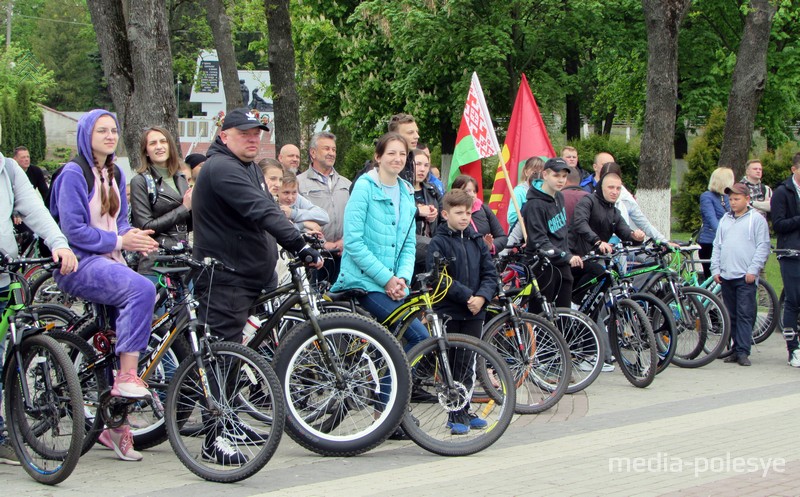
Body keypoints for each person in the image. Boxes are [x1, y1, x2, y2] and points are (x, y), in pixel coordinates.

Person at [192, 108, 321, 463]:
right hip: (225, 277)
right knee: (222, 354)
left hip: (248, 276)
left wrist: (301, 236)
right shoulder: (221, 169)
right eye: (245, 132)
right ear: (224, 135)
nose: (253, 138)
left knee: (235, 354)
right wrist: (299, 244)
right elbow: (260, 211)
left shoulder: (247, 167)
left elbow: (268, 209)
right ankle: (213, 437)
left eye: (257, 133)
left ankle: (229, 420)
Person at [50, 109, 160, 462]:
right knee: (142, 290)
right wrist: (119, 241)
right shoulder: (73, 173)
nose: (110, 136)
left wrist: (137, 237)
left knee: (114, 339)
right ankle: (128, 375)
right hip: (79, 263)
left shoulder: (115, 172)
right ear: (86, 135)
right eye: (102, 131)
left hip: (109, 261)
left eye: (113, 130)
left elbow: (122, 222)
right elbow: (73, 232)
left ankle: (116, 424)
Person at [0, 128, 78, 466]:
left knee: (10, 345)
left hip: (5, 274)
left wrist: (58, 243)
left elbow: (35, 209)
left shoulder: (7, 169)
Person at [330, 132, 428, 352]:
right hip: (363, 283)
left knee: (397, 342)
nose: (398, 158)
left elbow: (408, 244)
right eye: (391, 153)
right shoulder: (364, 187)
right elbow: (353, 242)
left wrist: (401, 278)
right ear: (378, 156)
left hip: (394, 284)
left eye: (402, 154)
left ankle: (389, 384)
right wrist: (387, 279)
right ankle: (392, 388)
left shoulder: (406, 191)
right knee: (419, 337)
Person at [427, 188, 497, 434]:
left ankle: (465, 408)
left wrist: (482, 296)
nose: (465, 217)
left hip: (475, 311)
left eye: (468, 212)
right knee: (452, 364)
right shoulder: (439, 241)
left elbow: (490, 273)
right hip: (450, 311)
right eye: (458, 213)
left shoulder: (477, 240)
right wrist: (467, 295)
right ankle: (453, 413)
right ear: (445, 214)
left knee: (468, 362)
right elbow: (439, 278)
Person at [711, 183, 769, 367]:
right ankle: (735, 349)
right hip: (727, 275)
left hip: (745, 276)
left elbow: (763, 245)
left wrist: (753, 269)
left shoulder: (756, 219)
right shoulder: (725, 220)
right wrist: (716, 269)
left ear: (747, 199)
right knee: (732, 314)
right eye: (730, 199)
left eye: (737, 199)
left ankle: (743, 350)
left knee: (745, 313)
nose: (733, 203)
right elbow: (717, 245)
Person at [522, 158, 583, 310]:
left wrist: (567, 254)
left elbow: (563, 231)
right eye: (556, 176)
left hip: (562, 263)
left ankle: (562, 334)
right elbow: (539, 241)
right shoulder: (534, 204)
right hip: (543, 264)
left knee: (564, 312)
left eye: (564, 176)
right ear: (545, 175)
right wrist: (566, 256)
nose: (561, 180)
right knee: (542, 313)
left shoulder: (560, 196)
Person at [130, 126, 192, 274]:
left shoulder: (181, 179)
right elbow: (146, 226)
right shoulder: (140, 181)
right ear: (146, 150)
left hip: (183, 259)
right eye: (153, 143)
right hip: (155, 263)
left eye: (163, 141)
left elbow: (187, 224)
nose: (159, 146)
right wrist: (184, 208)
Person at [297, 131, 351, 283]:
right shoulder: (299, 184)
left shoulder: (346, 184)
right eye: (326, 149)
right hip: (314, 258)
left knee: (343, 304)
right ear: (313, 153)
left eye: (333, 149)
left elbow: (355, 217)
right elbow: (295, 218)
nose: (331, 153)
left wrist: (345, 240)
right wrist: (321, 243)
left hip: (342, 255)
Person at [771, 152, 800, 367]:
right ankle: (793, 349)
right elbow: (778, 224)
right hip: (790, 253)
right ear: (794, 169)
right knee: (793, 300)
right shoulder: (783, 191)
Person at [451, 174, 508, 254]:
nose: (472, 195)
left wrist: (490, 246)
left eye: (474, 191)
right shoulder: (451, 215)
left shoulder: (484, 209)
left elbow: (502, 237)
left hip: (487, 261)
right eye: (467, 191)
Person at [698, 167, 734, 281]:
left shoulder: (728, 197)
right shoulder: (707, 196)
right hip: (709, 242)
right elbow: (712, 220)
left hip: (727, 242)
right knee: (712, 278)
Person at [507, 156, 545, 230]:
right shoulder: (519, 191)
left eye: (541, 172)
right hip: (520, 235)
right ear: (526, 172)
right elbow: (512, 218)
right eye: (534, 171)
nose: (538, 174)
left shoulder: (544, 192)